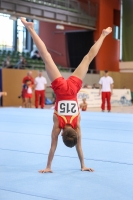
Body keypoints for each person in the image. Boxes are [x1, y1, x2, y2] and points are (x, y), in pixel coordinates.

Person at [21, 17, 112, 173]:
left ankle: (103, 35)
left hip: (73, 89)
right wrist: (48, 166)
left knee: (88, 58)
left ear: (74, 132)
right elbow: (53, 146)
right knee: (46, 56)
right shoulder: (58, 125)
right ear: (62, 133)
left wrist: (83, 164)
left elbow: (79, 147)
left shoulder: (78, 124)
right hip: (61, 90)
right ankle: (30, 28)